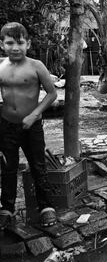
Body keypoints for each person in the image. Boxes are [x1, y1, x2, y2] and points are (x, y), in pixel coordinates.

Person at [0, 22, 58, 229]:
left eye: (20, 42)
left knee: (38, 165)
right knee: (8, 168)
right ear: (1, 44)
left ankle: (45, 207)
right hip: (6, 125)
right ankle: (7, 209)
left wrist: (34, 114)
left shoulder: (36, 66)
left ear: (28, 44)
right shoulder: (0, 67)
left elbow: (52, 94)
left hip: (32, 126)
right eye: (9, 43)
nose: (15, 47)